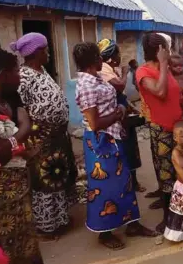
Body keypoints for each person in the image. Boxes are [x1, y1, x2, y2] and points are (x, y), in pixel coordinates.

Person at [74, 42, 156, 250]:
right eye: (99, 56)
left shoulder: (96, 77)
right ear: (94, 60)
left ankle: (132, 224)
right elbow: (94, 124)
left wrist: (119, 120)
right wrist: (119, 113)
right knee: (105, 188)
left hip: (113, 136)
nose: (102, 59)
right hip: (100, 143)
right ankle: (105, 233)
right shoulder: (86, 85)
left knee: (125, 182)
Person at [0, 49, 43, 263]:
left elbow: (14, 140)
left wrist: (21, 134)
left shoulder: (8, 99)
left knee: (25, 244)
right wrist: (23, 131)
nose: (20, 75)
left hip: (17, 187)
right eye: (15, 71)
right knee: (1, 246)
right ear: (3, 74)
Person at [11, 33, 77, 241]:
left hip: (56, 136)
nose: (49, 53)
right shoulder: (24, 76)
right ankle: (47, 227)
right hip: (41, 136)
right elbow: (20, 108)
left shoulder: (42, 71)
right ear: (35, 52)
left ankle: (60, 219)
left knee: (57, 177)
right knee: (44, 180)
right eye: (46, 50)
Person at [136, 33, 183, 232]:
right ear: (158, 51)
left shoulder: (166, 70)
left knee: (179, 171)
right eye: (165, 48)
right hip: (161, 129)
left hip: (177, 128)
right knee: (166, 174)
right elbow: (160, 92)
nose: (168, 51)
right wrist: (164, 65)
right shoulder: (143, 72)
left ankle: (181, 211)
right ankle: (168, 218)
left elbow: (172, 93)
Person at [97, 39, 145, 192]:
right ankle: (127, 182)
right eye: (118, 53)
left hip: (122, 110)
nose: (120, 57)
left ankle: (133, 181)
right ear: (111, 55)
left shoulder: (111, 68)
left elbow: (122, 94)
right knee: (125, 148)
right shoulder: (104, 69)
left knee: (131, 147)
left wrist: (132, 108)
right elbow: (120, 86)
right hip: (116, 115)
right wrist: (125, 73)